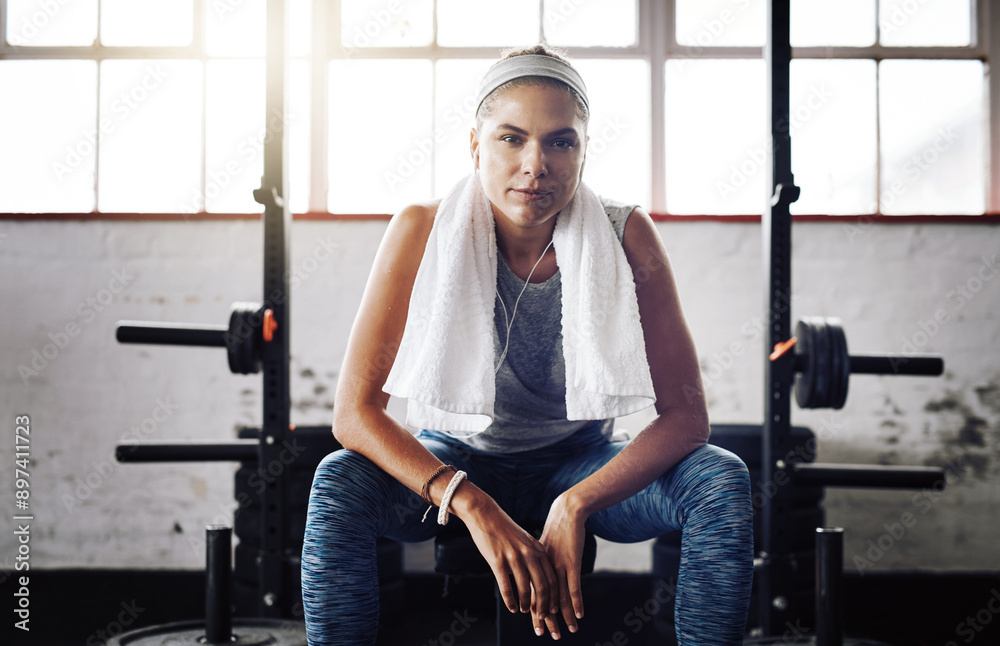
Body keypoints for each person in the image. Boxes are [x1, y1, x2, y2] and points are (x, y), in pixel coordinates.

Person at [301, 44, 753, 645]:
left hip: (576, 461)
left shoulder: (626, 235)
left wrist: (575, 503)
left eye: (561, 141)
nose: (535, 164)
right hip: (457, 454)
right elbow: (353, 416)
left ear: (584, 150)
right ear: (475, 146)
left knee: (720, 479)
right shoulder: (420, 229)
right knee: (338, 480)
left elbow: (687, 419)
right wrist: (467, 500)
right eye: (511, 138)